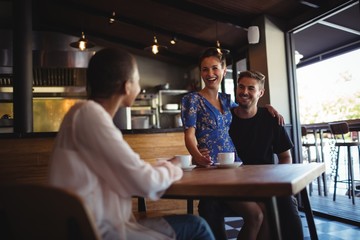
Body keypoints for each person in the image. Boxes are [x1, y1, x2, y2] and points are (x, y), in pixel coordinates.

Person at [48, 48, 215, 240]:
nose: (139, 85)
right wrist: (174, 166)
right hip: (100, 233)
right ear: (127, 87)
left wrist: (157, 168)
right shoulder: (90, 116)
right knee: (197, 226)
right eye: (137, 80)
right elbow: (145, 183)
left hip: (90, 227)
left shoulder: (81, 115)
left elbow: (129, 171)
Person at [181, 48, 280, 240]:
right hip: (211, 170)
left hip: (234, 167)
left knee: (266, 211)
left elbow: (247, 108)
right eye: (205, 69)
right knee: (256, 215)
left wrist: (266, 108)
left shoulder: (227, 100)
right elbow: (189, 135)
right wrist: (197, 156)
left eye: (215, 68)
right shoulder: (191, 99)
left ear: (224, 70)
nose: (210, 74)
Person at [229, 70, 304, 240]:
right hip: (233, 184)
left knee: (287, 204)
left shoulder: (271, 119)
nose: (244, 92)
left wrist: (279, 180)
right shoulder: (226, 119)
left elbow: (285, 157)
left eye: (251, 88)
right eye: (241, 87)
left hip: (266, 184)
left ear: (260, 93)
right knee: (263, 213)